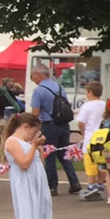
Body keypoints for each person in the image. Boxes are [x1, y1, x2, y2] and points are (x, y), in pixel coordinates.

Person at [0, 112, 56, 219]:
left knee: (43, 218)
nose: (34, 135)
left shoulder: (27, 142)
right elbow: (24, 164)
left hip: (38, 184)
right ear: (25, 127)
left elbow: (38, 162)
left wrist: (38, 147)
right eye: (34, 131)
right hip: (25, 186)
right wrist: (33, 146)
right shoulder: (12, 142)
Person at [29, 64, 80, 196]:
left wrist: (31, 127)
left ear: (39, 74)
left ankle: (52, 186)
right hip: (63, 125)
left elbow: (35, 112)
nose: (31, 77)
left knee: (49, 154)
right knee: (64, 153)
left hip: (49, 125)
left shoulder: (39, 90)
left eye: (32, 74)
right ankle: (74, 183)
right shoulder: (59, 87)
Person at [76, 81, 108, 199]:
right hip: (103, 137)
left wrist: (83, 132)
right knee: (102, 162)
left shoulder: (87, 106)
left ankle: (91, 184)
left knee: (90, 163)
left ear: (90, 92)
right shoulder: (105, 105)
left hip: (90, 138)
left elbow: (81, 123)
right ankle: (100, 183)